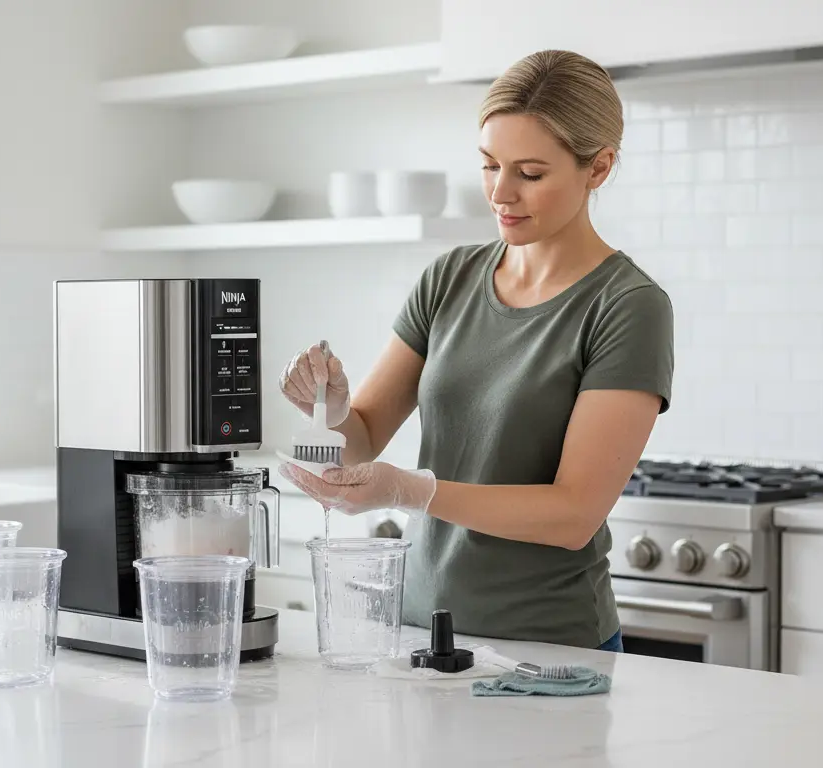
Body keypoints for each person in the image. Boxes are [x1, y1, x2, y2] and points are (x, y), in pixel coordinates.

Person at [277, 49, 674, 653]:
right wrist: (331, 411)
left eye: (531, 173)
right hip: (419, 631)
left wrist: (412, 491)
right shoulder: (451, 278)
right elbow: (362, 440)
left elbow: (573, 516)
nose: (500, 193)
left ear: (598, 168)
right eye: (489, 165)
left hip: (549, 652)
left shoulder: (627, 306)